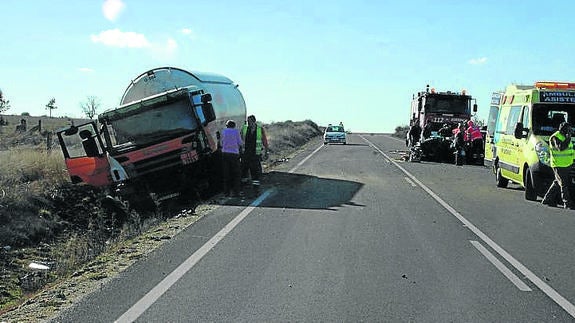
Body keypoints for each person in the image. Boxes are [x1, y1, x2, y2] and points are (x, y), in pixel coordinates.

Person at [541, 122, 575, 209]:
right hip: (558, 164)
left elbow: (570, 150)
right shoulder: (555, 137)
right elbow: (560, 148)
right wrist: (568, 138)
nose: (570, 131)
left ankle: (547, 199)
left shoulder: (566, 137)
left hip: (568, 164)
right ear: (563, 130)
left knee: (557, 182)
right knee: (564, 184)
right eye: (568, 130)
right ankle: (567, 203)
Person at [241, 115, 269, 192]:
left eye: (250, 121)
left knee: (255, 170)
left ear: (254, 121)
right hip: (246, 153)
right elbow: (240, 139)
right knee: (244, 169)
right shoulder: (244, 128)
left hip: (255, 154)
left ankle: (256, 188)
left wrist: (266, 151)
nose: (248, 123)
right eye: (248, 121)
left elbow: (264, 141)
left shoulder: (260, 129)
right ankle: (244, 186)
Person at [220, 120, 243, 197]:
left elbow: (221, 143)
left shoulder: (223, 131)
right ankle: (236, 192)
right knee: (236, 174)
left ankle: (226, 192)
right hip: (234, 154)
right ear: (234, 125)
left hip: (225, 154)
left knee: (226, 173)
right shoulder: (236, 132)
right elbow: (240, 143)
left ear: (227, 125)